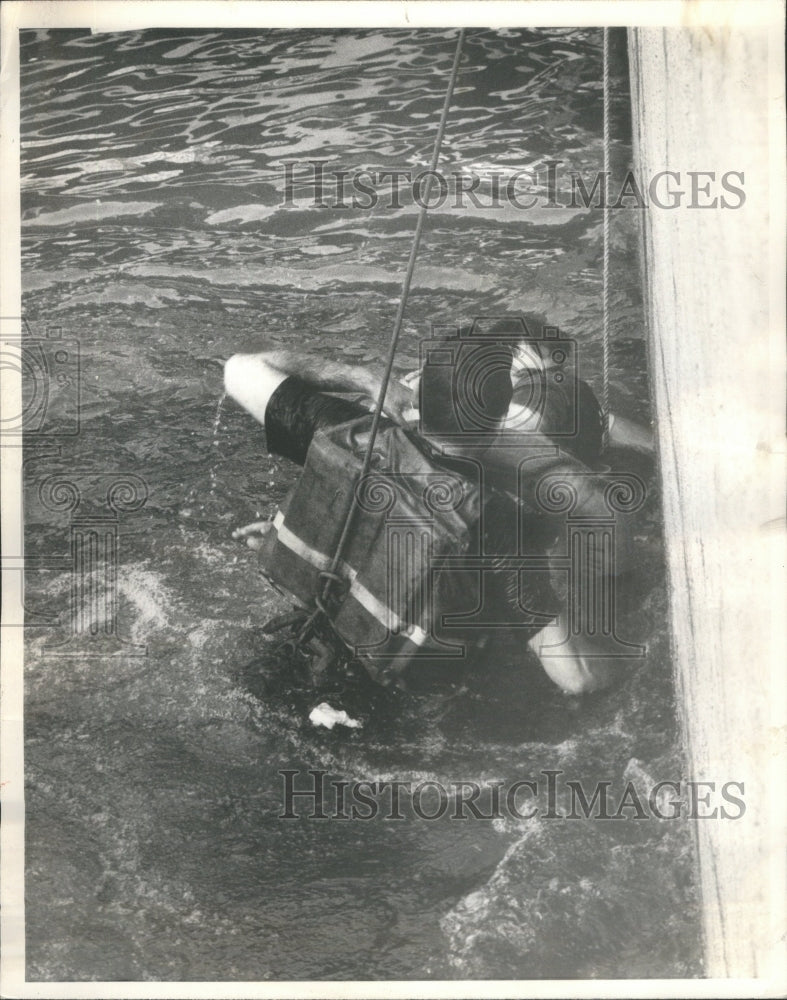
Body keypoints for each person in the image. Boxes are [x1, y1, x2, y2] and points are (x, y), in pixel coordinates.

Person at [224, 315, 653, 695]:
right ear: (496, 420)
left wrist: (367, 379)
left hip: (279, 650)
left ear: (416, 392)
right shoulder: (492, 521)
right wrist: (641, 657)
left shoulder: (349, 431)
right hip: (373, 701)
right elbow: (577, 677)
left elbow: (240, 368)